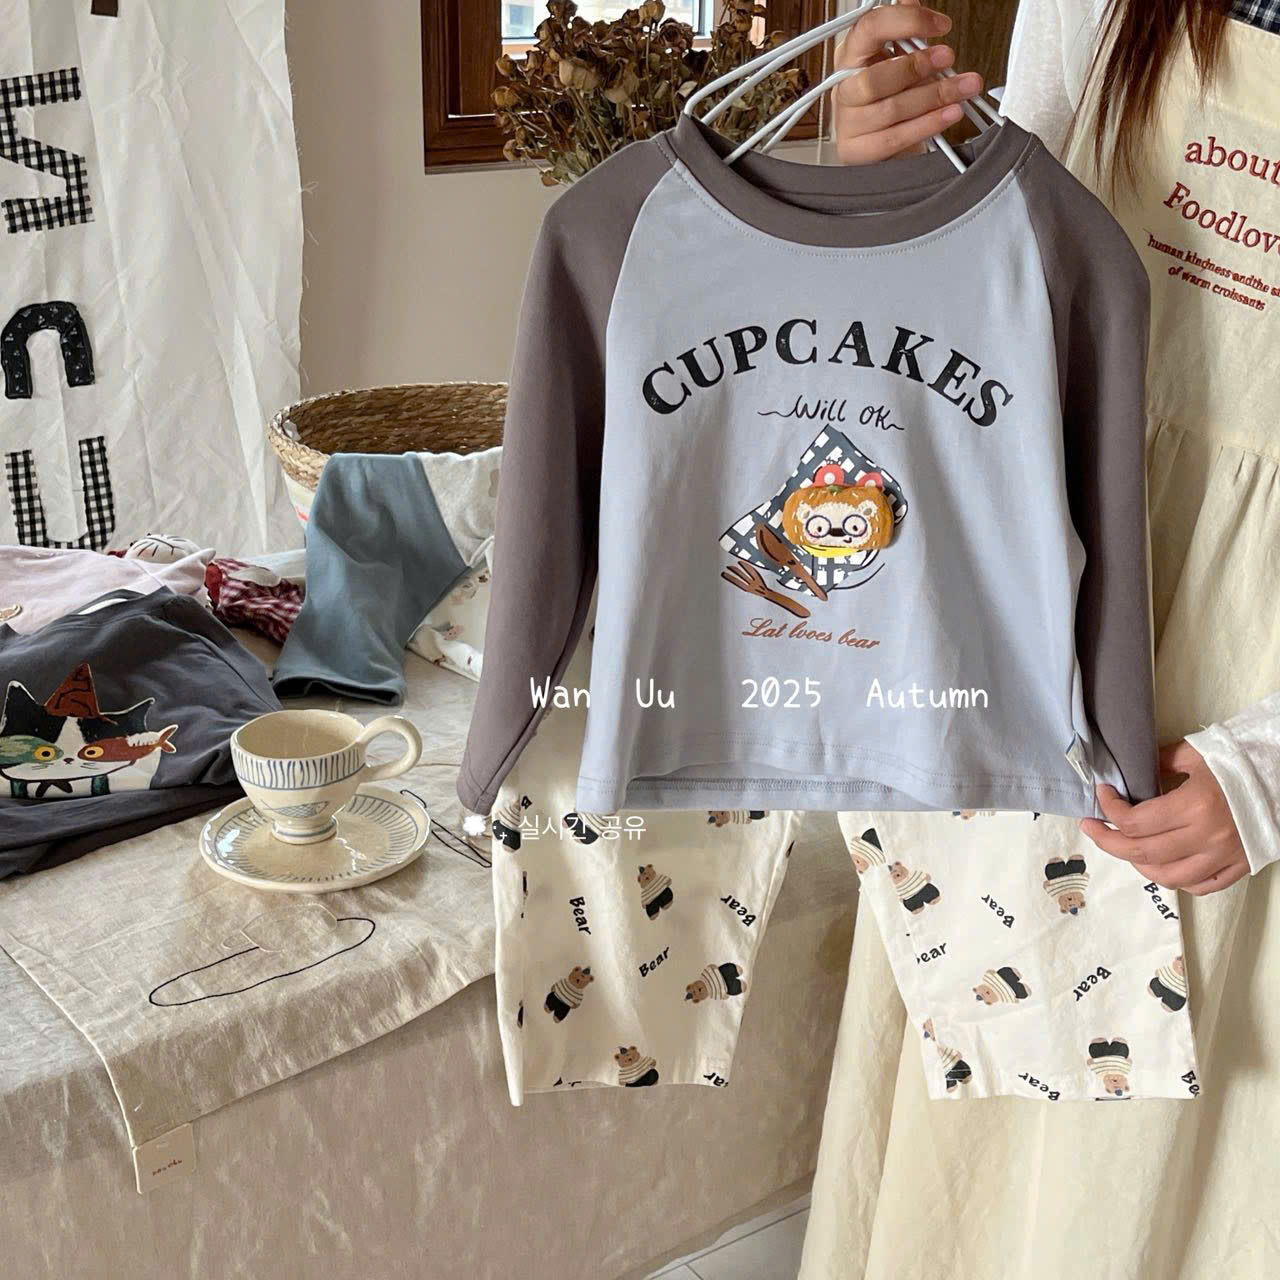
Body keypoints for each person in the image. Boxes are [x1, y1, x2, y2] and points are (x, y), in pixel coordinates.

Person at [798, 3, 1280, 1278]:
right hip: (1042, 634)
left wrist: (1269, 772)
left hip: (1249, 724)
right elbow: (991, 289)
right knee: (974, 1168)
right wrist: (894, 168)